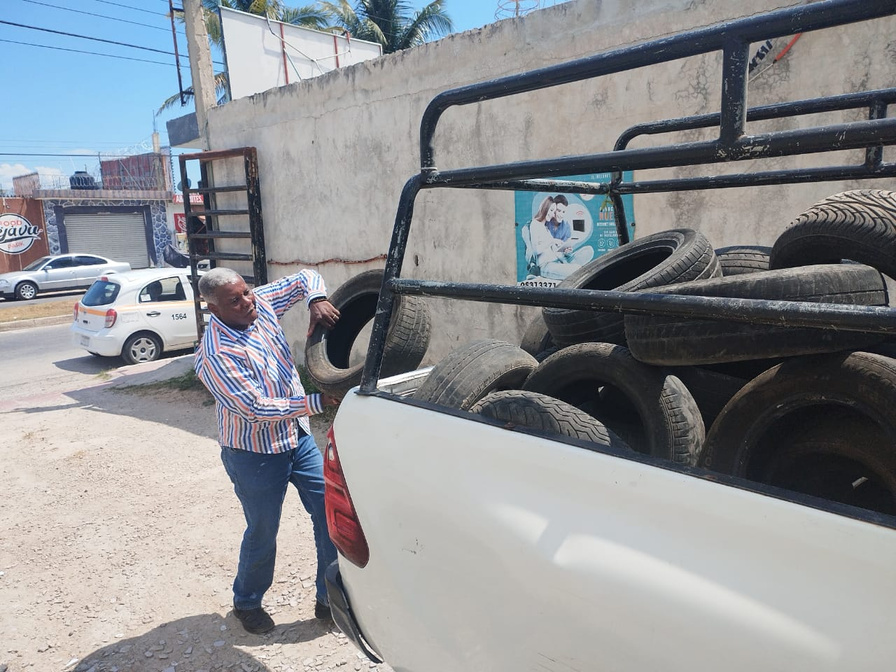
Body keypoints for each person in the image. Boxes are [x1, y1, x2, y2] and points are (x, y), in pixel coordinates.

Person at [194, 266, 341, 635]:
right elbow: (255, 408)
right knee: (263, 530)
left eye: (246, 292)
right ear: (214, 309)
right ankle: (247, 601)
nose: (246, 302)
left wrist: (316, 299)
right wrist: (318, 401)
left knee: (329, 516)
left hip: (297, 438)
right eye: (234, 300)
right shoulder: (215, 354)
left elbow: (305, 276)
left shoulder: (259, 305)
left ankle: (328, 600)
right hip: (253, 453)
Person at [529, 195, 594, 280]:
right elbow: (535, 251)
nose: (553, 214)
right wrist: (552, 241)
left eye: (554, 210)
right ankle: (568, 266)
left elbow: (554, 250)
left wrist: (566, 253)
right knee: (578, 270)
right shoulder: (535, 224)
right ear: (545, 208)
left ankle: (568, 265)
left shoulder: (546, 227)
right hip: (546, 265)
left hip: (558, 259)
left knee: (587, 252)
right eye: (553, 210)